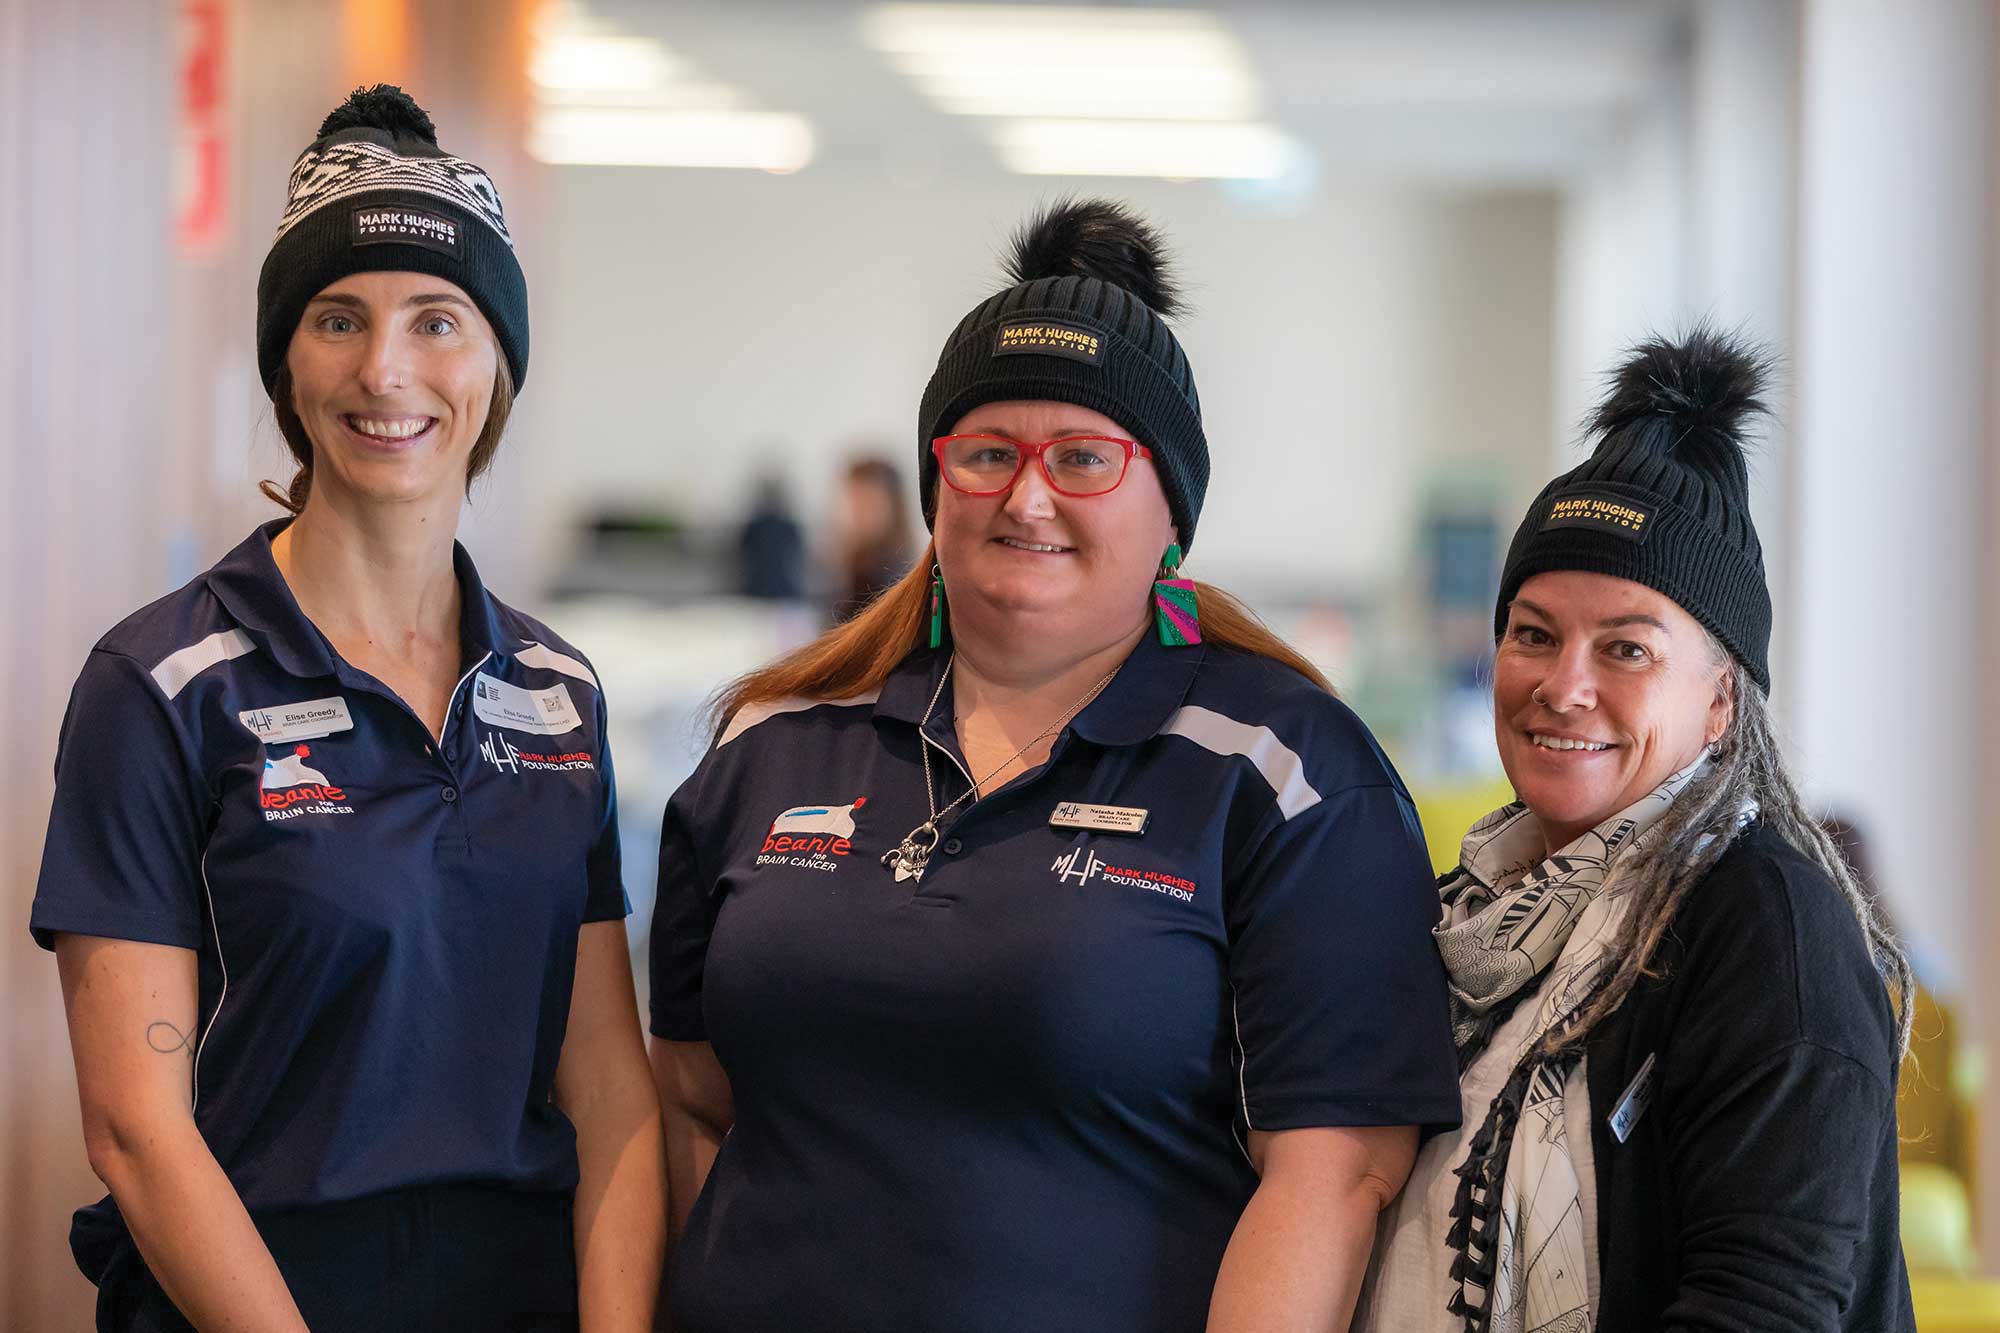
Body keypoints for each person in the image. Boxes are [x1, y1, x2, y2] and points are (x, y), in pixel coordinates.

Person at [648, 198, 1460, 1331]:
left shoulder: (1283, 772)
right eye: (987, 454)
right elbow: (687, 1104)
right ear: (937, 484)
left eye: (1083, 459)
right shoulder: (775, 745)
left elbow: (1335, 1172)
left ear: (1168, 507)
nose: (1026, 496)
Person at [30, 87, 664, 1332]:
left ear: (495, 367)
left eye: (437, 320)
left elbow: (610, 1088)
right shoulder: (162, 685)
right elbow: (135, 1132)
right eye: (338, 319)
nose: (385, 370)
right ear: (286, 362)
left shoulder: (556, 693)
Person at [1354, 329, 1914, 1331]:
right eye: (1532, 634)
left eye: (1625, 648)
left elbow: (1762, 1308)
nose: (1562, 686)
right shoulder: (1461, 911)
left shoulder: (1766, 931)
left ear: (1719, 702)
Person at [828, 455, 913, 619]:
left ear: (893, 507)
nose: (857, 513)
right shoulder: (854, 564)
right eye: (853, 500)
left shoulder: (892, 573)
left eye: (868, 502)